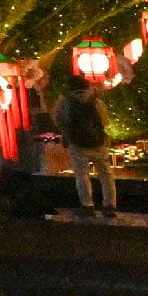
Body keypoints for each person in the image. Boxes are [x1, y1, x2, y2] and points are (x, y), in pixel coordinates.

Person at [58, 71, 117, 217]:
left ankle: (87, 206)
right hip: (98, 144)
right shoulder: (96, 101)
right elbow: (105, 122)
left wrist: (66, 137)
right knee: (106, 175)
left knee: (82, 175)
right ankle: (109, 205)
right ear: (86, 86)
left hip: (77, 144)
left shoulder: (65, 101)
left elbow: (60, 121)